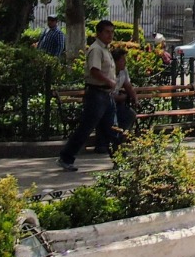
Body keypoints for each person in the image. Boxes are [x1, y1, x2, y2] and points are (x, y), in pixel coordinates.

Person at [57, 19, 117, 172]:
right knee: (86, 128)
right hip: (96, 94)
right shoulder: (96, 49)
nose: (110, 35)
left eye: (112, 32)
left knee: (112, 128)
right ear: (99, 33)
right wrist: (109, 81)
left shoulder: (106, 49)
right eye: (107, 32)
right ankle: (66, 157)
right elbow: (94, 71)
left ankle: (118, 158)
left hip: (106, 95)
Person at [107, 49, 139, 150]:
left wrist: (135, 99)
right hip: (106, 103)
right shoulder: (108, 71)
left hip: (118, 102)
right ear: (115, 62)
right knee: (113, 117)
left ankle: (122, 138)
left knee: (130, 114)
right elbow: (106, 93)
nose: (125, 62)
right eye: (122, 60)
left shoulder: (123, 71)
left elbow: (128, 86)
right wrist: (120, 97)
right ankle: (111, 143)